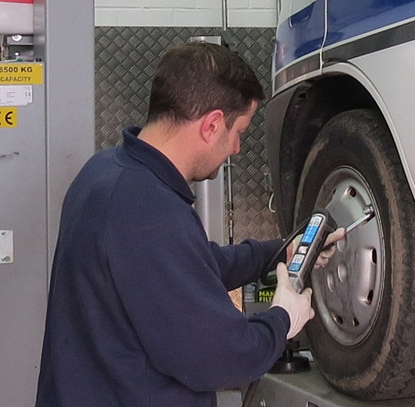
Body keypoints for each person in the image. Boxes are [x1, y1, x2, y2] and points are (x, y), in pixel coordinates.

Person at [35, 42, 342, 407]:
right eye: (238, 131)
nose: (237, 149)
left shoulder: (105, 174)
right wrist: (281, 321)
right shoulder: (148, 210)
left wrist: (277, 252)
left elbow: (187, 268)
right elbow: (220, 359)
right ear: (212, 125)